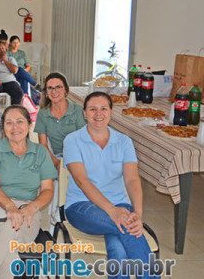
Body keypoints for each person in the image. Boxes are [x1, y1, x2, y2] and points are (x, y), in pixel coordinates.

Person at [63, 92, 157, 279]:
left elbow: (131, 179)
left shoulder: (124, 141)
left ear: (111, 112)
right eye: (93, 109)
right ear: (84, 113)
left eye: (104, 108)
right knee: (126, 227)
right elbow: (82, 181)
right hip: (81, 207)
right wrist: (112, 210)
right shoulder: (72, 140)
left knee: (119, 250)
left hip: (120, 207)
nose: (98, 114)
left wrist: (137, 213)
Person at [0, 105, 56, 278]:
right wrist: (10, 208)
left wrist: (31, 208)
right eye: (9, 123)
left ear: (29, 124)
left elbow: (48, 190)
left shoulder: (40, 152)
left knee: (7, 238)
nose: (15, 127)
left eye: (20, 121)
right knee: (8, 240)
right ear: (3, 127)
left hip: (29, 211)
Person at [34, 72, 85, 170]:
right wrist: (57, 163)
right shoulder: (42, 114)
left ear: (66, 89)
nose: (54, 91)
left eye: (58, 87)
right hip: (55, 157)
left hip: (78, 157)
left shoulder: (78, 110)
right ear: (46, 92)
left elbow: (83, 142)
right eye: (50, 88)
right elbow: (43, 145)